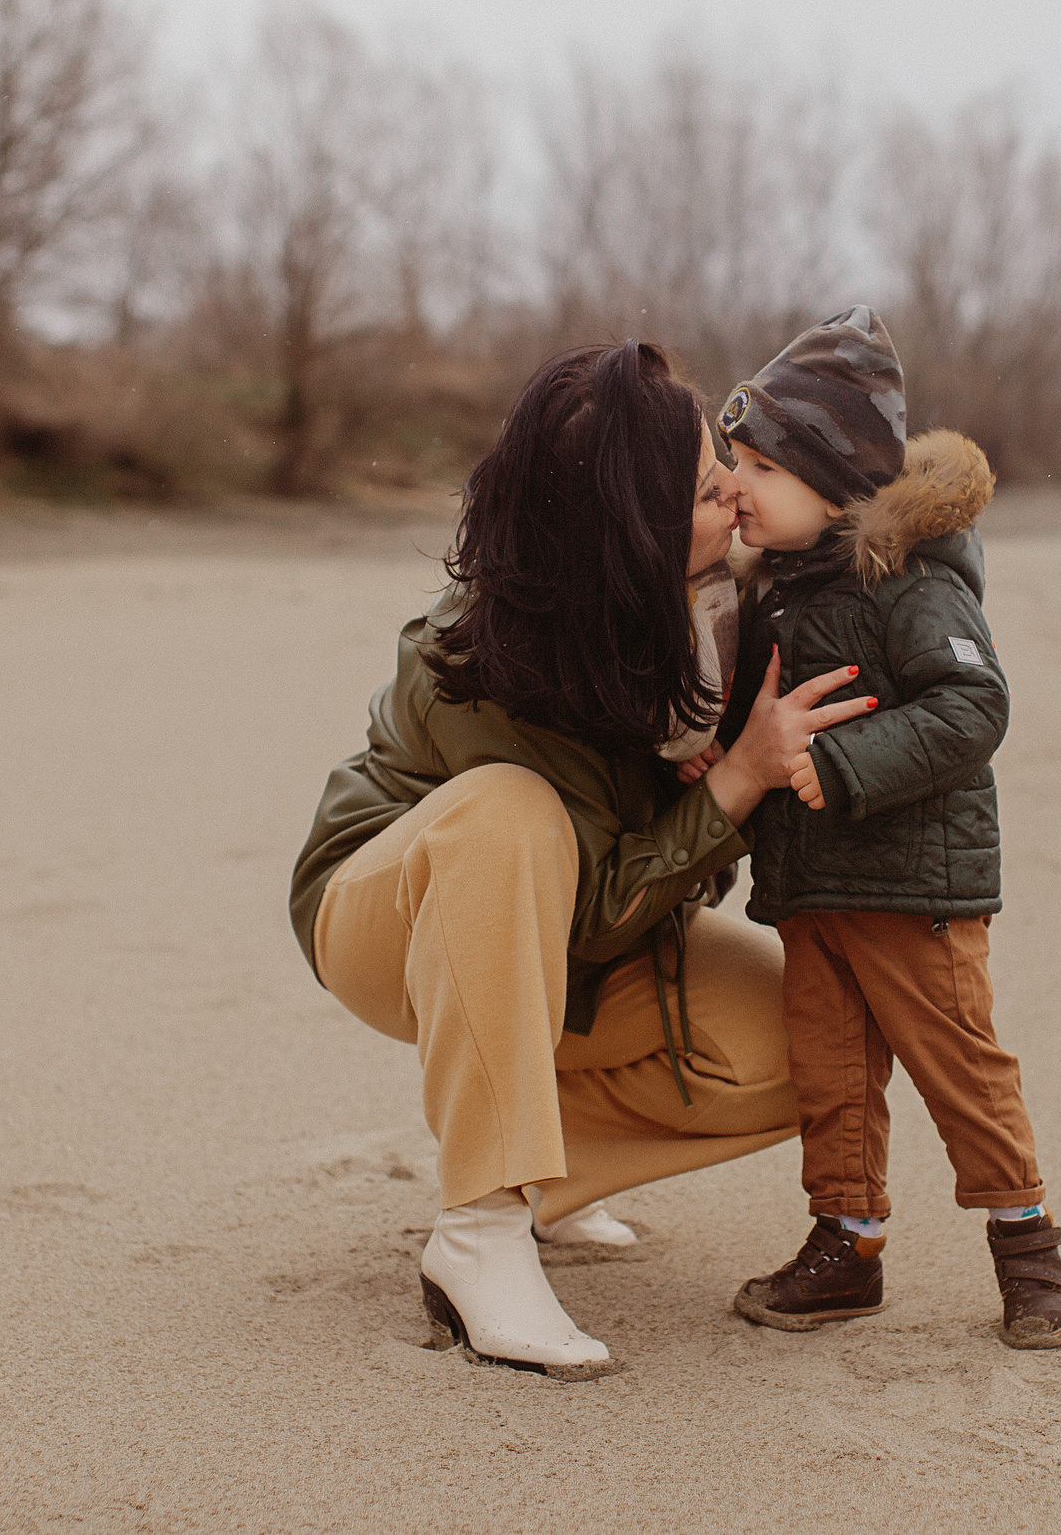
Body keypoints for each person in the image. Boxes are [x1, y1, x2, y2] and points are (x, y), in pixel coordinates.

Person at [288, 341, 876, 1380]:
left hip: (575, 943)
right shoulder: (482, 659)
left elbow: (650, 894)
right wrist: (735, 781)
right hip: (387, 914)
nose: (737, 493)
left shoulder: (709, 612)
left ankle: (532, 1175)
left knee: (827, 1036)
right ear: (632, 534)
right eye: (705, 488)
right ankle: (480, 1232)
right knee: (509, 816)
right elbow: (586, 916)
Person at [711, 307, 1061, 1350]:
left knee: (960, 1069)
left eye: (754, 467)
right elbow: (761, 712)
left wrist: (838, 764)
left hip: (915, 890)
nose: (736, 486)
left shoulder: (906, 580)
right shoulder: (779, 586)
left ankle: (1027, 1244)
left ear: (828, 478)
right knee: (830, 1079)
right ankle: (845, 1245)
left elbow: (973, 708)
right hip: (816, 886)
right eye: (729, 464)